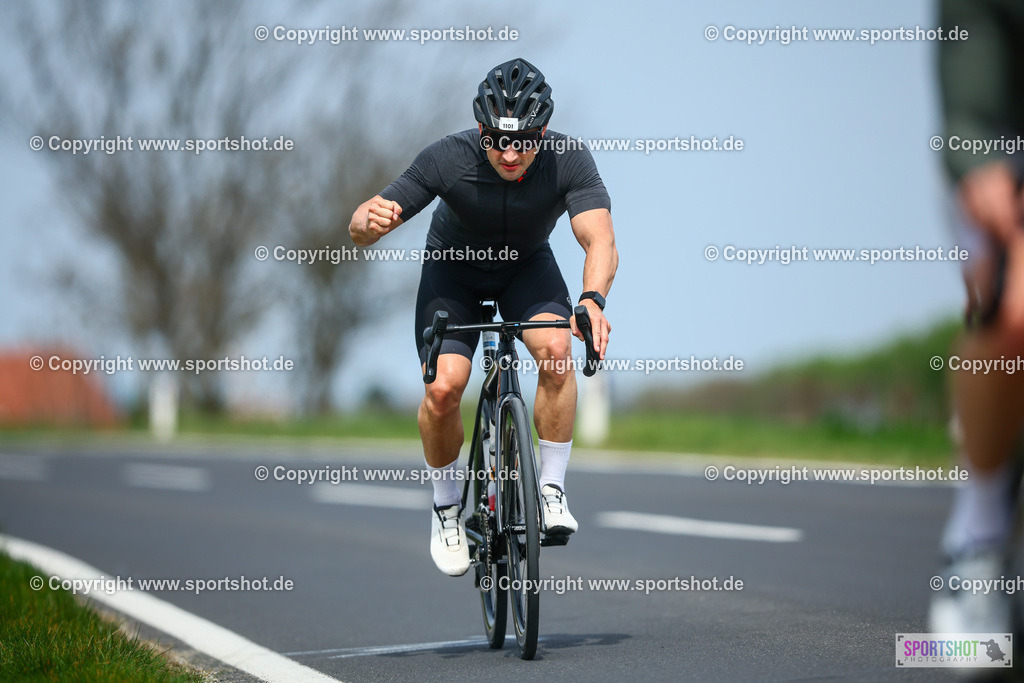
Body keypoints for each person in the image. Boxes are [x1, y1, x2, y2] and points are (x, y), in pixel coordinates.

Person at [348, 58, 617, 576]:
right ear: (479, 129)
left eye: (525, 141)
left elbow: (599, 239)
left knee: (557, 350)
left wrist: (591, 300)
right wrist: (364, 223)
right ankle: (447, 508)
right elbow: (367, 220)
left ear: (544, 132)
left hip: (526, 271)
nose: (512, 154)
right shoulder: (447, 158)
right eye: (497, 140)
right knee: (445, 388)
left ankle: (551, 490)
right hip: (455, 276)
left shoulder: (569, 159)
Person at [930, 0, 1024, 633]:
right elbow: (971, 105)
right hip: (1003, 151)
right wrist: (983, 171)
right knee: (1016, 309)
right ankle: (981, 532)